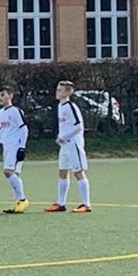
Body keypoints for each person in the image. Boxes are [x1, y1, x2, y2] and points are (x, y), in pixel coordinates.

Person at [46, 81, 93, 213]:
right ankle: (60, 203)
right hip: (65, 145)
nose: (57, 92)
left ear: (68, 92)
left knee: (78, 172)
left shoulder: (71, 107)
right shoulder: (60, 106)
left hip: (73, 143)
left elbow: (78, 127)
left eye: (60, 90)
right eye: (57, 89)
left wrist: (63, 136)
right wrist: (61, 137)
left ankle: (86, 204)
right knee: (62, 172)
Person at [0, 86, 30, 214]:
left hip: (15, 145)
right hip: (6, 145)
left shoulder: (15, 111)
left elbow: (24, 129)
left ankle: (23, 200)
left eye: (3, 95)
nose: (0, 98)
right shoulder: (1, 112)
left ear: (10, 96)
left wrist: (22, 147)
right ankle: (18, 202)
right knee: (14, 174)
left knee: (8, 172)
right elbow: (0, 130)